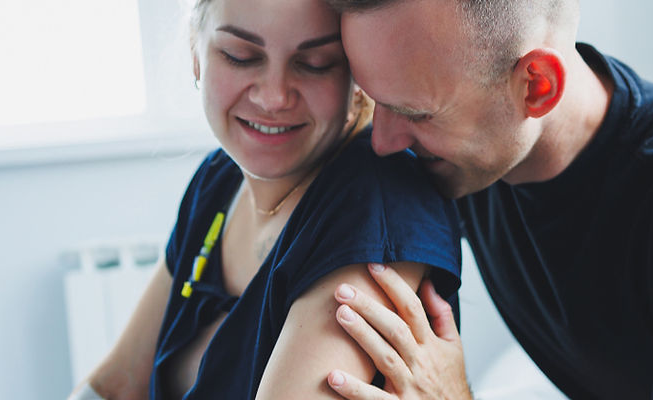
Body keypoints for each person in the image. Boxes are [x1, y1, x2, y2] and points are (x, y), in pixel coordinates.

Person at [319, 0, 653, 399]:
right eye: (374, 99)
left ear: (536, 87)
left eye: (415, 113)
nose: (383, 140)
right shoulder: (461, 140)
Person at [66, 0, 462, 398]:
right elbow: (117, 384)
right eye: (241, 56)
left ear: (356, 76)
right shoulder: (218, 179)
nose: (274, 97)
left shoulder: (379, 212)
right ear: (196, 54)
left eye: (315, 63)